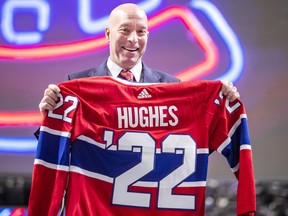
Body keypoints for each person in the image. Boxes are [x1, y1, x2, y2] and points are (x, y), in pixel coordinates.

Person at [38, 3, 240, 116]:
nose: (133, 39)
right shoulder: (76, 86)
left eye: (141, 32)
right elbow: (57, 150)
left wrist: (223, 102)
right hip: (96, 192)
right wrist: (49, 116)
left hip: (149, 191)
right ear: (108, 34)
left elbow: (193, 142)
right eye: (125, 30)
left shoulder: (172, 87)